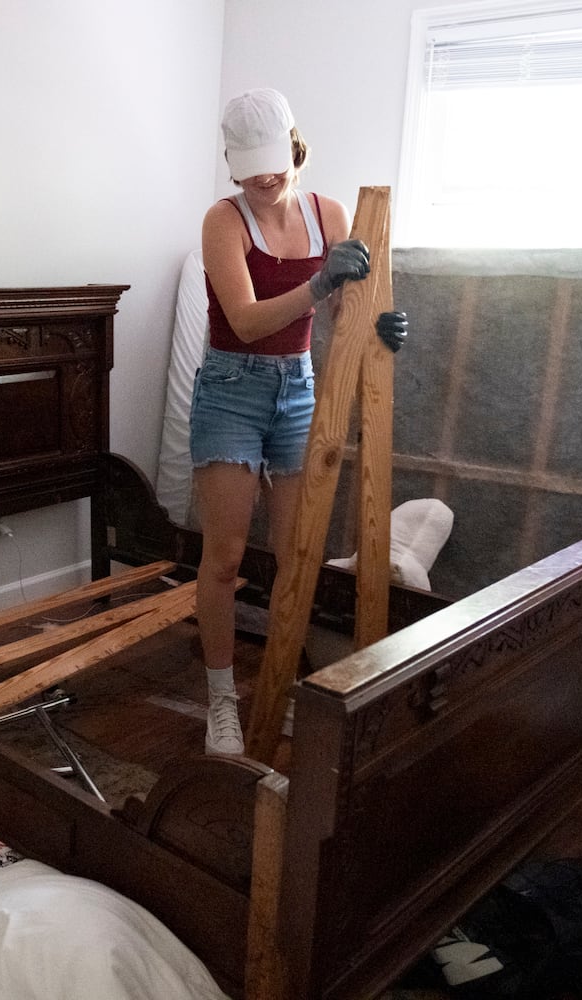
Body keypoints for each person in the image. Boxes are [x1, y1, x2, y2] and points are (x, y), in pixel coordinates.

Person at [192, 87, 407, 755]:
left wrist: (383, 328)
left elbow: (346, 316)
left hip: (296, 390)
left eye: (275, 166)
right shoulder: (222, 221)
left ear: (294, 148)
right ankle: (222, 700)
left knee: (297, 555)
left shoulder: (330, 214)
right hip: (230, 388)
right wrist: (319, 287)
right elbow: (248, 319)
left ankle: (282, 683)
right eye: (249, 169)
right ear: (232, 165)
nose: (264, 180)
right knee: (225, 557)